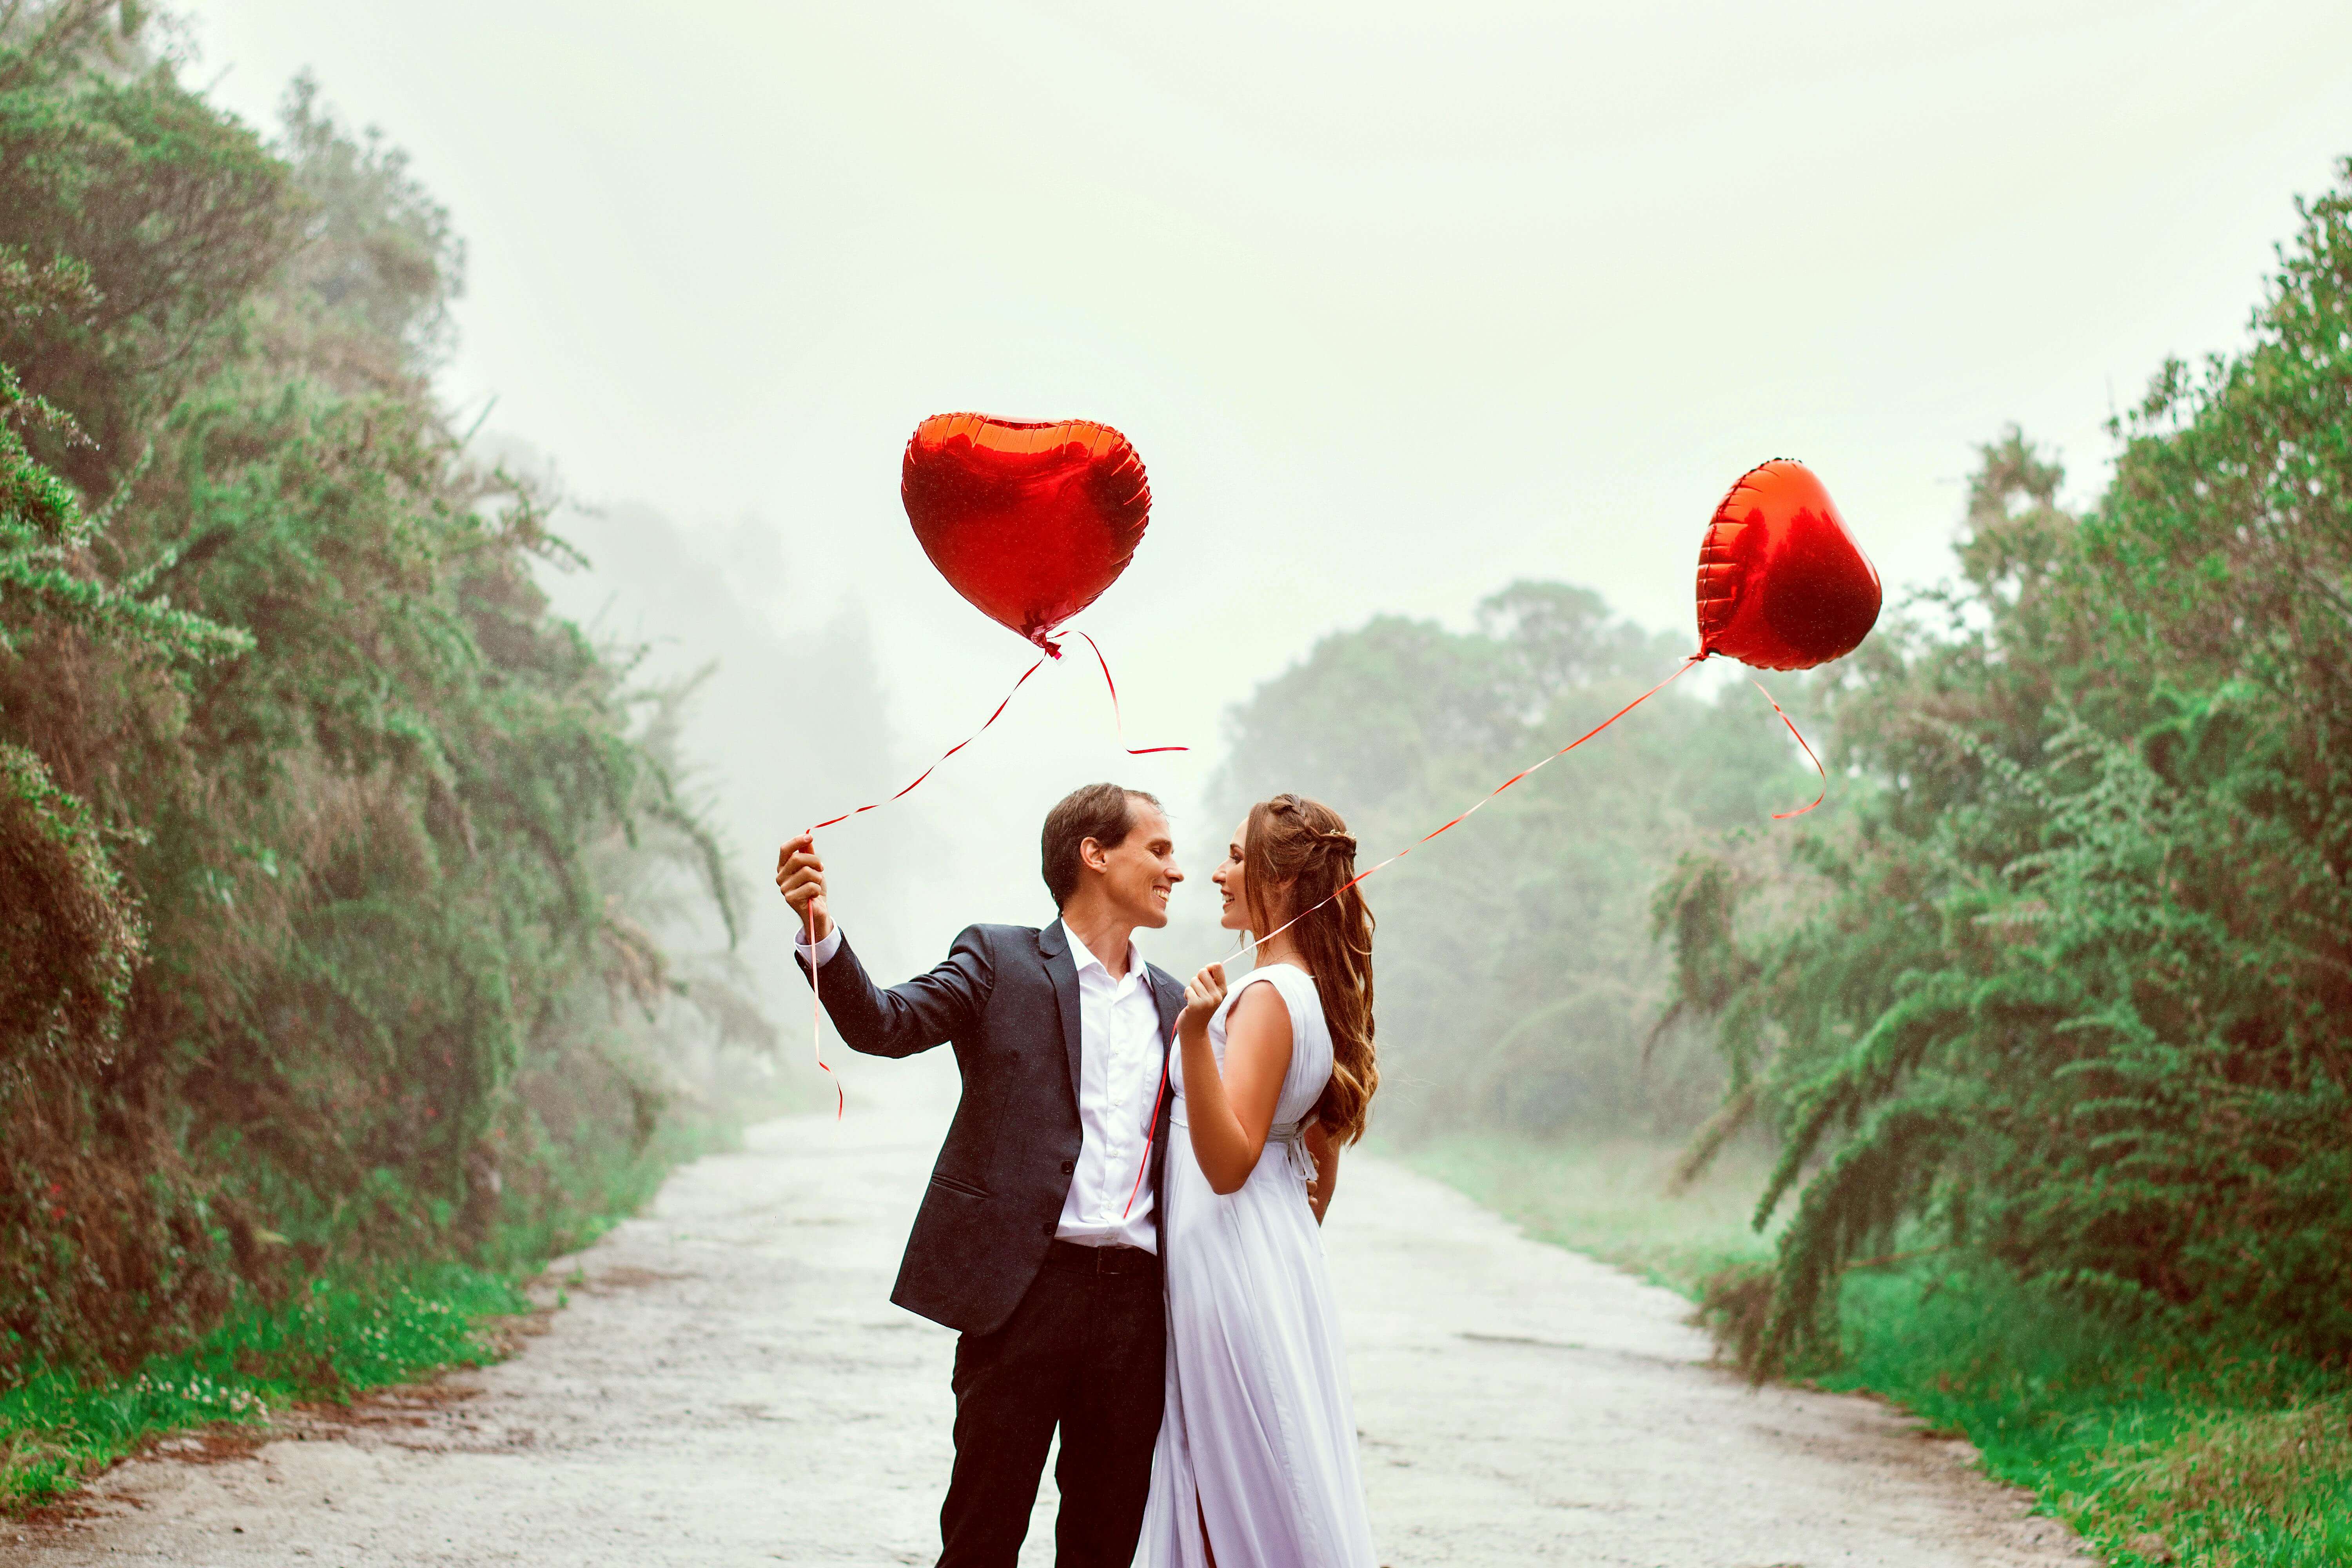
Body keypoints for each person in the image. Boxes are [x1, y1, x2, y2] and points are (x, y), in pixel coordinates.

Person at [773, 783, 1186, 1568]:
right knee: (982, 1534)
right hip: (1022, 1298)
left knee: (1106, 1542)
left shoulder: (1176, 1002)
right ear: (1094, 854)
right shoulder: (999, 960)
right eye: (1159, 849)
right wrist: (819, 931)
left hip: (1137, 1311)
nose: (1177, 869)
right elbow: (884, 1025)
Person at [1139, 792, 1381, 1566]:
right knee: (1251, 1468)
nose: (1216, 871)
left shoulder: (1269, 997)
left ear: (1280, 878)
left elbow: (1229, 1159)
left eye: (1237, 856)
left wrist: (1198, 1035)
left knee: (1229, 1477)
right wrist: (1278, 1252)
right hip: (1261, 1255)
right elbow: (1316, 1164)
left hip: (1227, 1261)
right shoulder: (1304, 990)